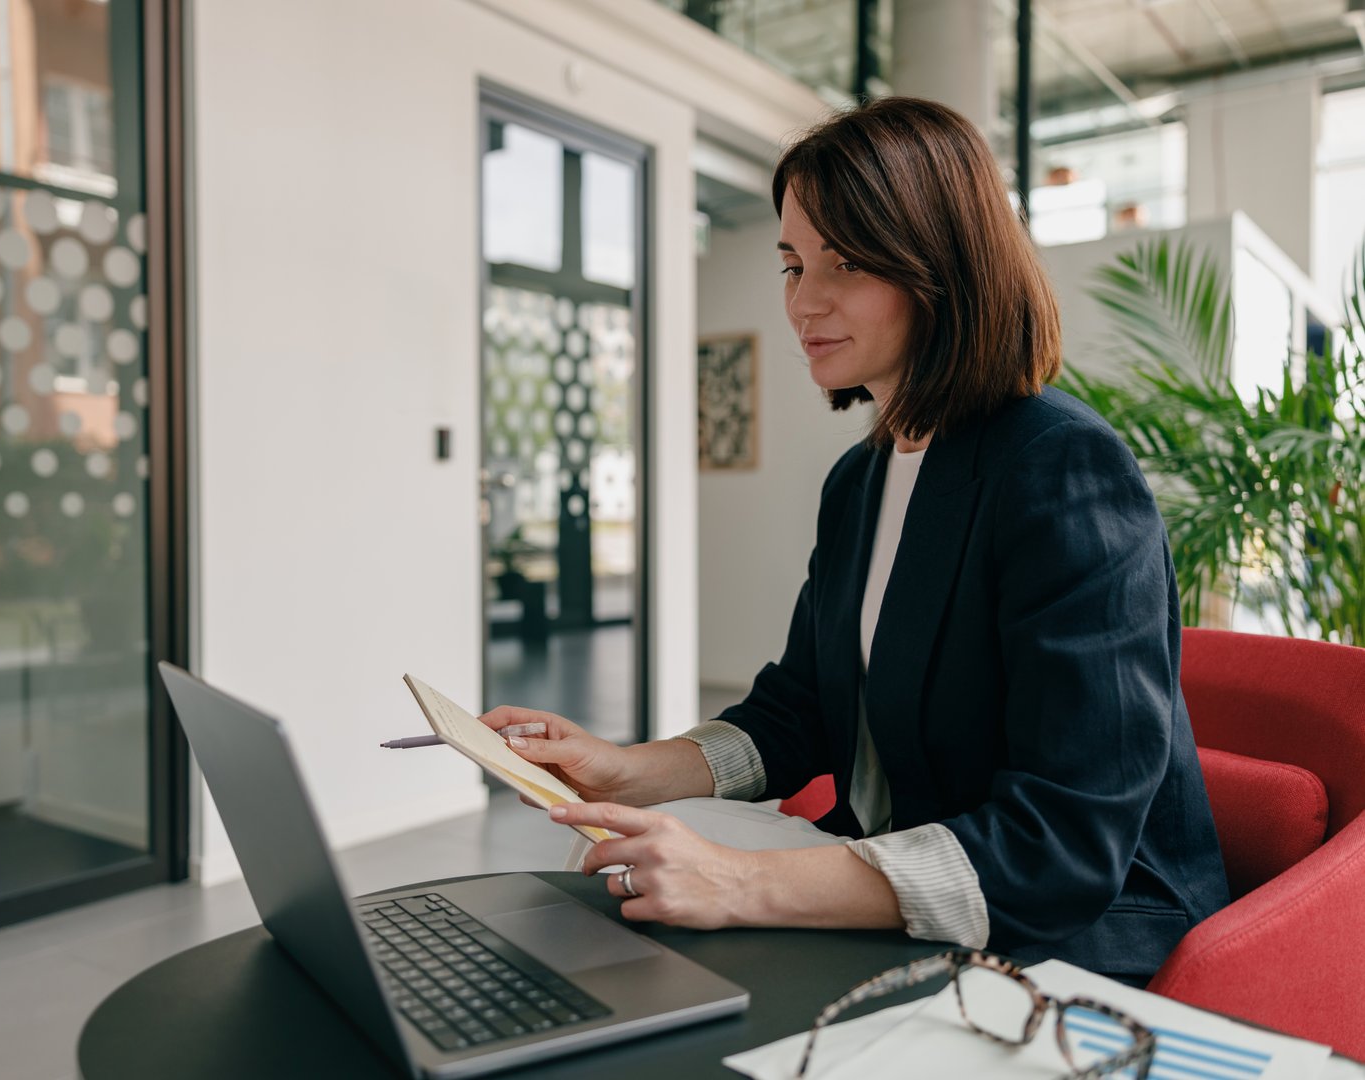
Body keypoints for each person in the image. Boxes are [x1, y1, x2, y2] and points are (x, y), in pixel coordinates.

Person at [480, 96, 1228, 984]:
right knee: (619, 883)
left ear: (942, 266)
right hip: (909, 868)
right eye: (793, 263)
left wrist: (742, 882)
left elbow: (1066, 839)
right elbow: (799, 712)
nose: (804, 301)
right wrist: (623, 769)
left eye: (847, 262)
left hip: (1074, 922)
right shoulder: (862, 480)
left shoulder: (1062, 469)